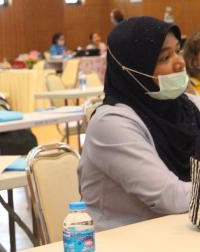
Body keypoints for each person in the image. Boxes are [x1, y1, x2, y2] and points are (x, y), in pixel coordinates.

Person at [78, 16, 200, 232]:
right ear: (132, 70)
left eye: (178, 50)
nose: (180, 62)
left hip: (179, 236)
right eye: (165, 57)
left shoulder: (189, 107)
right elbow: (170, 197)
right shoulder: (111, 124)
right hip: (124, 245)